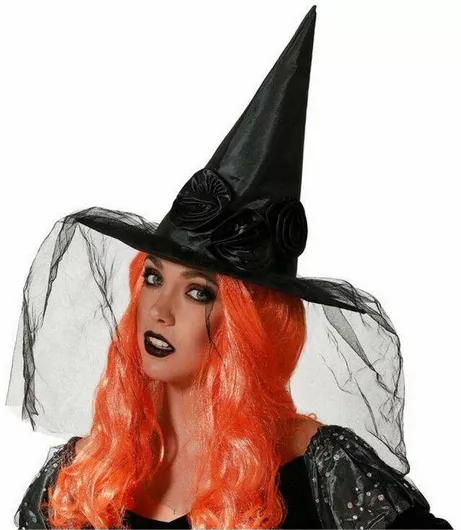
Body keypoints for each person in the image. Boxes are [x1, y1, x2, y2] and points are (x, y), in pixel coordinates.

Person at [7, 5, 452, 529]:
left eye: (199, 292)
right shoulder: (80, 479)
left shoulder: (321, 470)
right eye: (153, 277)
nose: (160, 310)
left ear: (249, 323)